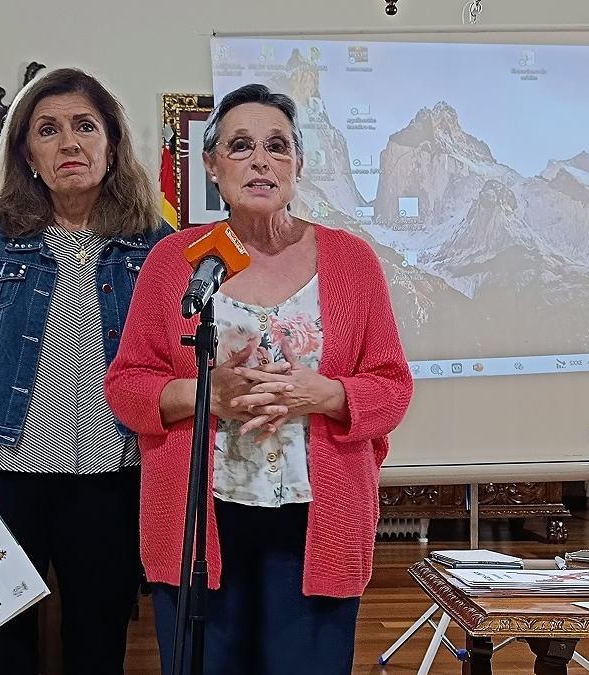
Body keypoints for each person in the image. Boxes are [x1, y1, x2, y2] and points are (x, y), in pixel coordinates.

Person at [104, 83, 413, 675]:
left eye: (277, 146)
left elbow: (392, 385)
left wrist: (325, 393)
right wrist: (207, 394)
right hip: (200, 520)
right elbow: (127, 385)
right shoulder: (177, 260)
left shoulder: (351, 260)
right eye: (241, 146)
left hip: (316, 517)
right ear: (213, 167)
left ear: (298, 164)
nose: (261, 160)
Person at [0, 67, 174, 674]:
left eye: (86, 127)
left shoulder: (156, 244)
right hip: (0, 473)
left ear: (112, 144)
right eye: (49, 130)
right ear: (26, 154)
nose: (70, 143)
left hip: (110, 478)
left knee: (98, 639)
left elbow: (177, 367)